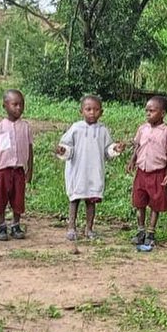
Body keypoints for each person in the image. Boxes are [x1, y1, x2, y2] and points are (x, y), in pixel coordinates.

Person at [55, 95, 121, 241]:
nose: (92, 112)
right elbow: (67, 147)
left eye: (96, 110)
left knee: (91, 200)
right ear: (81, 111)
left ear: (101, 112)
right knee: (75, 198)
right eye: (88, 109)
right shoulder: (76, 128)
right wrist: (62, 150)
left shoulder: (103, 130)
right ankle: (71, 227)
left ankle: (89, 228)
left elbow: (107, 150)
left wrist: (115, 148)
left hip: (94, 171)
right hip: (78, 171)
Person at [129, 96, 167, 252]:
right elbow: (137, 147)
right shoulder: (143, 129)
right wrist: (132, 160)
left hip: (157, 172)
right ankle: (141, 229)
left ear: (162, 113)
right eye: (147, 110)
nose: (148, 113)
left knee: (156, 202)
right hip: (142, 171)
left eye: (152, 110)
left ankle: (151, 232)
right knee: (139, 201)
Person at [0, 88, 33, 241]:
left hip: (19, 170)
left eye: (21, 104)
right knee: (0, 198)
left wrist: (30, 170)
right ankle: (1, 226)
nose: (19, 108)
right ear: (5, 106)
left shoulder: (26, 127)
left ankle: (15, 225)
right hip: (2, 170)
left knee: (18, 198)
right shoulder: (0, 127)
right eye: (15, 104)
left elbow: (30, 149)